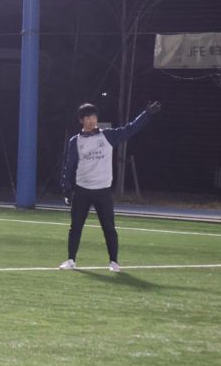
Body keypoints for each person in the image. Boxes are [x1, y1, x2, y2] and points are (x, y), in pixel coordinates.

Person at [59, 100, 161, 272]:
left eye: (93, 117)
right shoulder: (75, 141)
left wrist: (147, 114)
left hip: (103, 191)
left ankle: (114, 262)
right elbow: (69, 166)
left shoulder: (107, 136)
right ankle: (71, 260)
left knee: (109, 228)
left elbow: (130, 129)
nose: (91, 120)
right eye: (87, 118)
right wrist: (67, 189)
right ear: (81, 120)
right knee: (75, 227)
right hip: (82, 190)